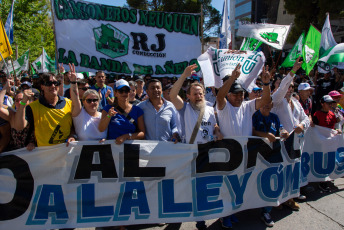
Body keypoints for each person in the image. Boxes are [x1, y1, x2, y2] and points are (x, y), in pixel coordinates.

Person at [215, 63, 272, 228]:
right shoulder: (224, 107)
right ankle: (224, 216)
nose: (239, 97)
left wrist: (266, 84)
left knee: (239, 185)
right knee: (227, 186)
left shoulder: (247, 106)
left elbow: (266, 100)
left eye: (242, 94)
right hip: (227, 155)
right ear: (229, 95)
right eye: (236, 94)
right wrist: (233, 77)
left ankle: (232, 213)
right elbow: (220, 96)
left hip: (245, 154)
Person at [170, 64, 223, 230]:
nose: (199, 96)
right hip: (191, 154)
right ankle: (195, 219)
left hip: (208, 152)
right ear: (188, 96)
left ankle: (203, 217)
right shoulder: (184, 108)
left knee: (206, 187)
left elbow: (214, 126)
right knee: (192, 188)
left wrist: (217, 130)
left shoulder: (209, 108)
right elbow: (172, 95)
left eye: (200, 93)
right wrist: (184, 75)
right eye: (195, 94)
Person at [271, 58, 309, 209]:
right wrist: (292, 72)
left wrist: (301, 125)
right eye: (288, 86)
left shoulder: (296, 102)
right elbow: (280, 90)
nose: (290, 89)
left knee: (293, 170)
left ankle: (290, 197)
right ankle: (277, 199)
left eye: (292, 86)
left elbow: (305, 118)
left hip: (296, 143)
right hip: (281, 143)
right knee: (280, 171)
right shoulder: (277, 100)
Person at [252, 101, 289, 227]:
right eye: (265, 103)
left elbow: (281, 128)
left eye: (269, 103)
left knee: (271, 180)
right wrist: (265, 135)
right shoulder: (255, 116)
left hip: (273, 154)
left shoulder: (274, 117)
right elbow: (252, 132)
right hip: (257, 155)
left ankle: (266, 211)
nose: (267, 105)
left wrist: (283, 131)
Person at [15, 73, 77, 147]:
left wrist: (72, 136)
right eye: (49, 83)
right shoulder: (32, 107)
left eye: (55, 83)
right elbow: (19, 127)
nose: (53, 86)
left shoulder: (69, 103)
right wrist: (23, 101)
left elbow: (74, 126)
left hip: (65, 153)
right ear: (42, 87)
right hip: (44, 155)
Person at [98, 79, 145, 145]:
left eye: (126, 91)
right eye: (121, 91)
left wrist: (126, 136)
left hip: (131, 149)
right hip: (113, 149)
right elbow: (101, 129)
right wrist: (108, 116)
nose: (124, 93)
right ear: (115, 93)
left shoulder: (137, 110)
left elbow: (142, 133)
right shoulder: (107, 108)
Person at [68, 63, 107, 141]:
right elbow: (75, 98)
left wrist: (105, 141)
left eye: (95, 100)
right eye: (89, 100)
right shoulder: (79, 113)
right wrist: (73, 82)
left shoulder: (103, 116)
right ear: (83, 101)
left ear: (99, 101)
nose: (92, 103)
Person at [0, 79, 35, 151]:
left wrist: (33, 142)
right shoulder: (12, 115)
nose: (19, 102)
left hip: (33, 155)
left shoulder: (35, 113)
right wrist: (5, 88)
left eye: (22, 100)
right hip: (17, 156)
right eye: (16, 100)